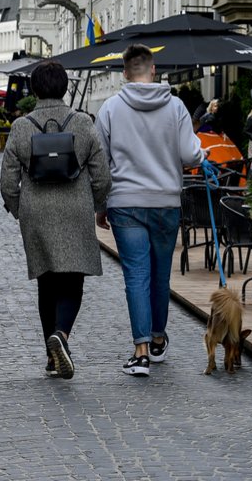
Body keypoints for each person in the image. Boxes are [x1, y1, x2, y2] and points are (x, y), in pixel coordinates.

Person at [95, 44, 204, 377]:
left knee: (136, 276)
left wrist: (100, 206)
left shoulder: (110, 108)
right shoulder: (176, 107)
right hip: (165, 202)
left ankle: (140, 351)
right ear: (153, 70)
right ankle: (158, 339)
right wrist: (199, 152)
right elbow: (190, 154)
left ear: (125, 73)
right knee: (160, 274)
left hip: (125, 202)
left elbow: (101, 163)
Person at [0, 62, 111, 379]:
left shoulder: (22, 126)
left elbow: (7, 182)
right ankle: (61, 335)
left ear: (33, 90)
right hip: (75, 208)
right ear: (65, 87)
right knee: (73, 279)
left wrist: (20, 209)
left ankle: (52, 357)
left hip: (36, 210)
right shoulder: (82, 122)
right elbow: (101, 174)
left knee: (46, 281)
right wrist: (96, 202)